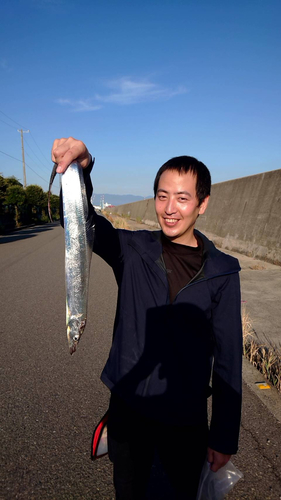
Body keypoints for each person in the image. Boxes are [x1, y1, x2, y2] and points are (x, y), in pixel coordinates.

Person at [52, 137, 243, 500]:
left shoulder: (223, 271)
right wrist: (81, 166)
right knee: (129, 490)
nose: (170, 208)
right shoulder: (133, 249)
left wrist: (223, 436)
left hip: (186, 416)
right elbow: (80, 222)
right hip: (128, 409)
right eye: (161, 196)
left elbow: (229, 360)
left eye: (182, 198)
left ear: (202, 204)